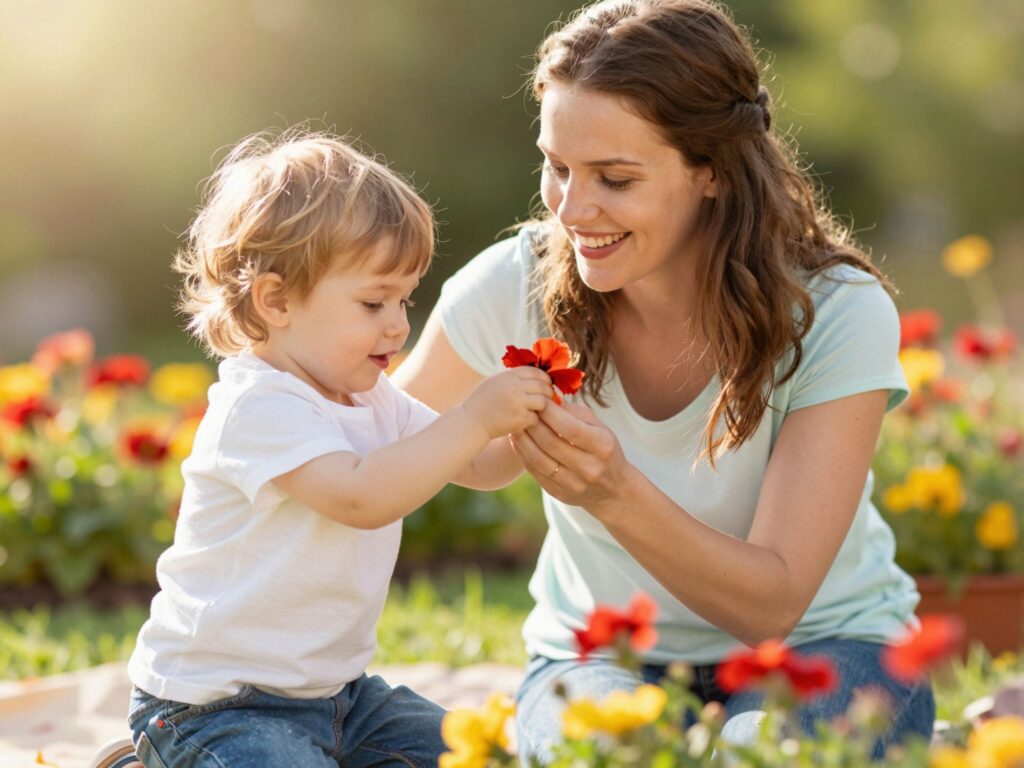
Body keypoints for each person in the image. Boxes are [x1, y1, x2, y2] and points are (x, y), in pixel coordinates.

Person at [393, 0, 933, 761]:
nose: (572, 210)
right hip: (601, 655)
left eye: (615, 179)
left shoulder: (835, 310)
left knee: (758, 751)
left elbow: (773, 605)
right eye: (557, 167)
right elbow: (379, 435)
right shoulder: (515, 284)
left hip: (825, 645)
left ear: (712, 170)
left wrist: (612, 490)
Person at [124, 130, 552, 767]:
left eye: (404, 299)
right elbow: (359, 496)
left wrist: (525, 424)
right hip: (215, 707)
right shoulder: (259, 405)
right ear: (276, 300)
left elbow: (478, 465)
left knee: (481, 756)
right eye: (373, 302)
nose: (398, 324)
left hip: (339, 698)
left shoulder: (372, 397)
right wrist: (474, 415)